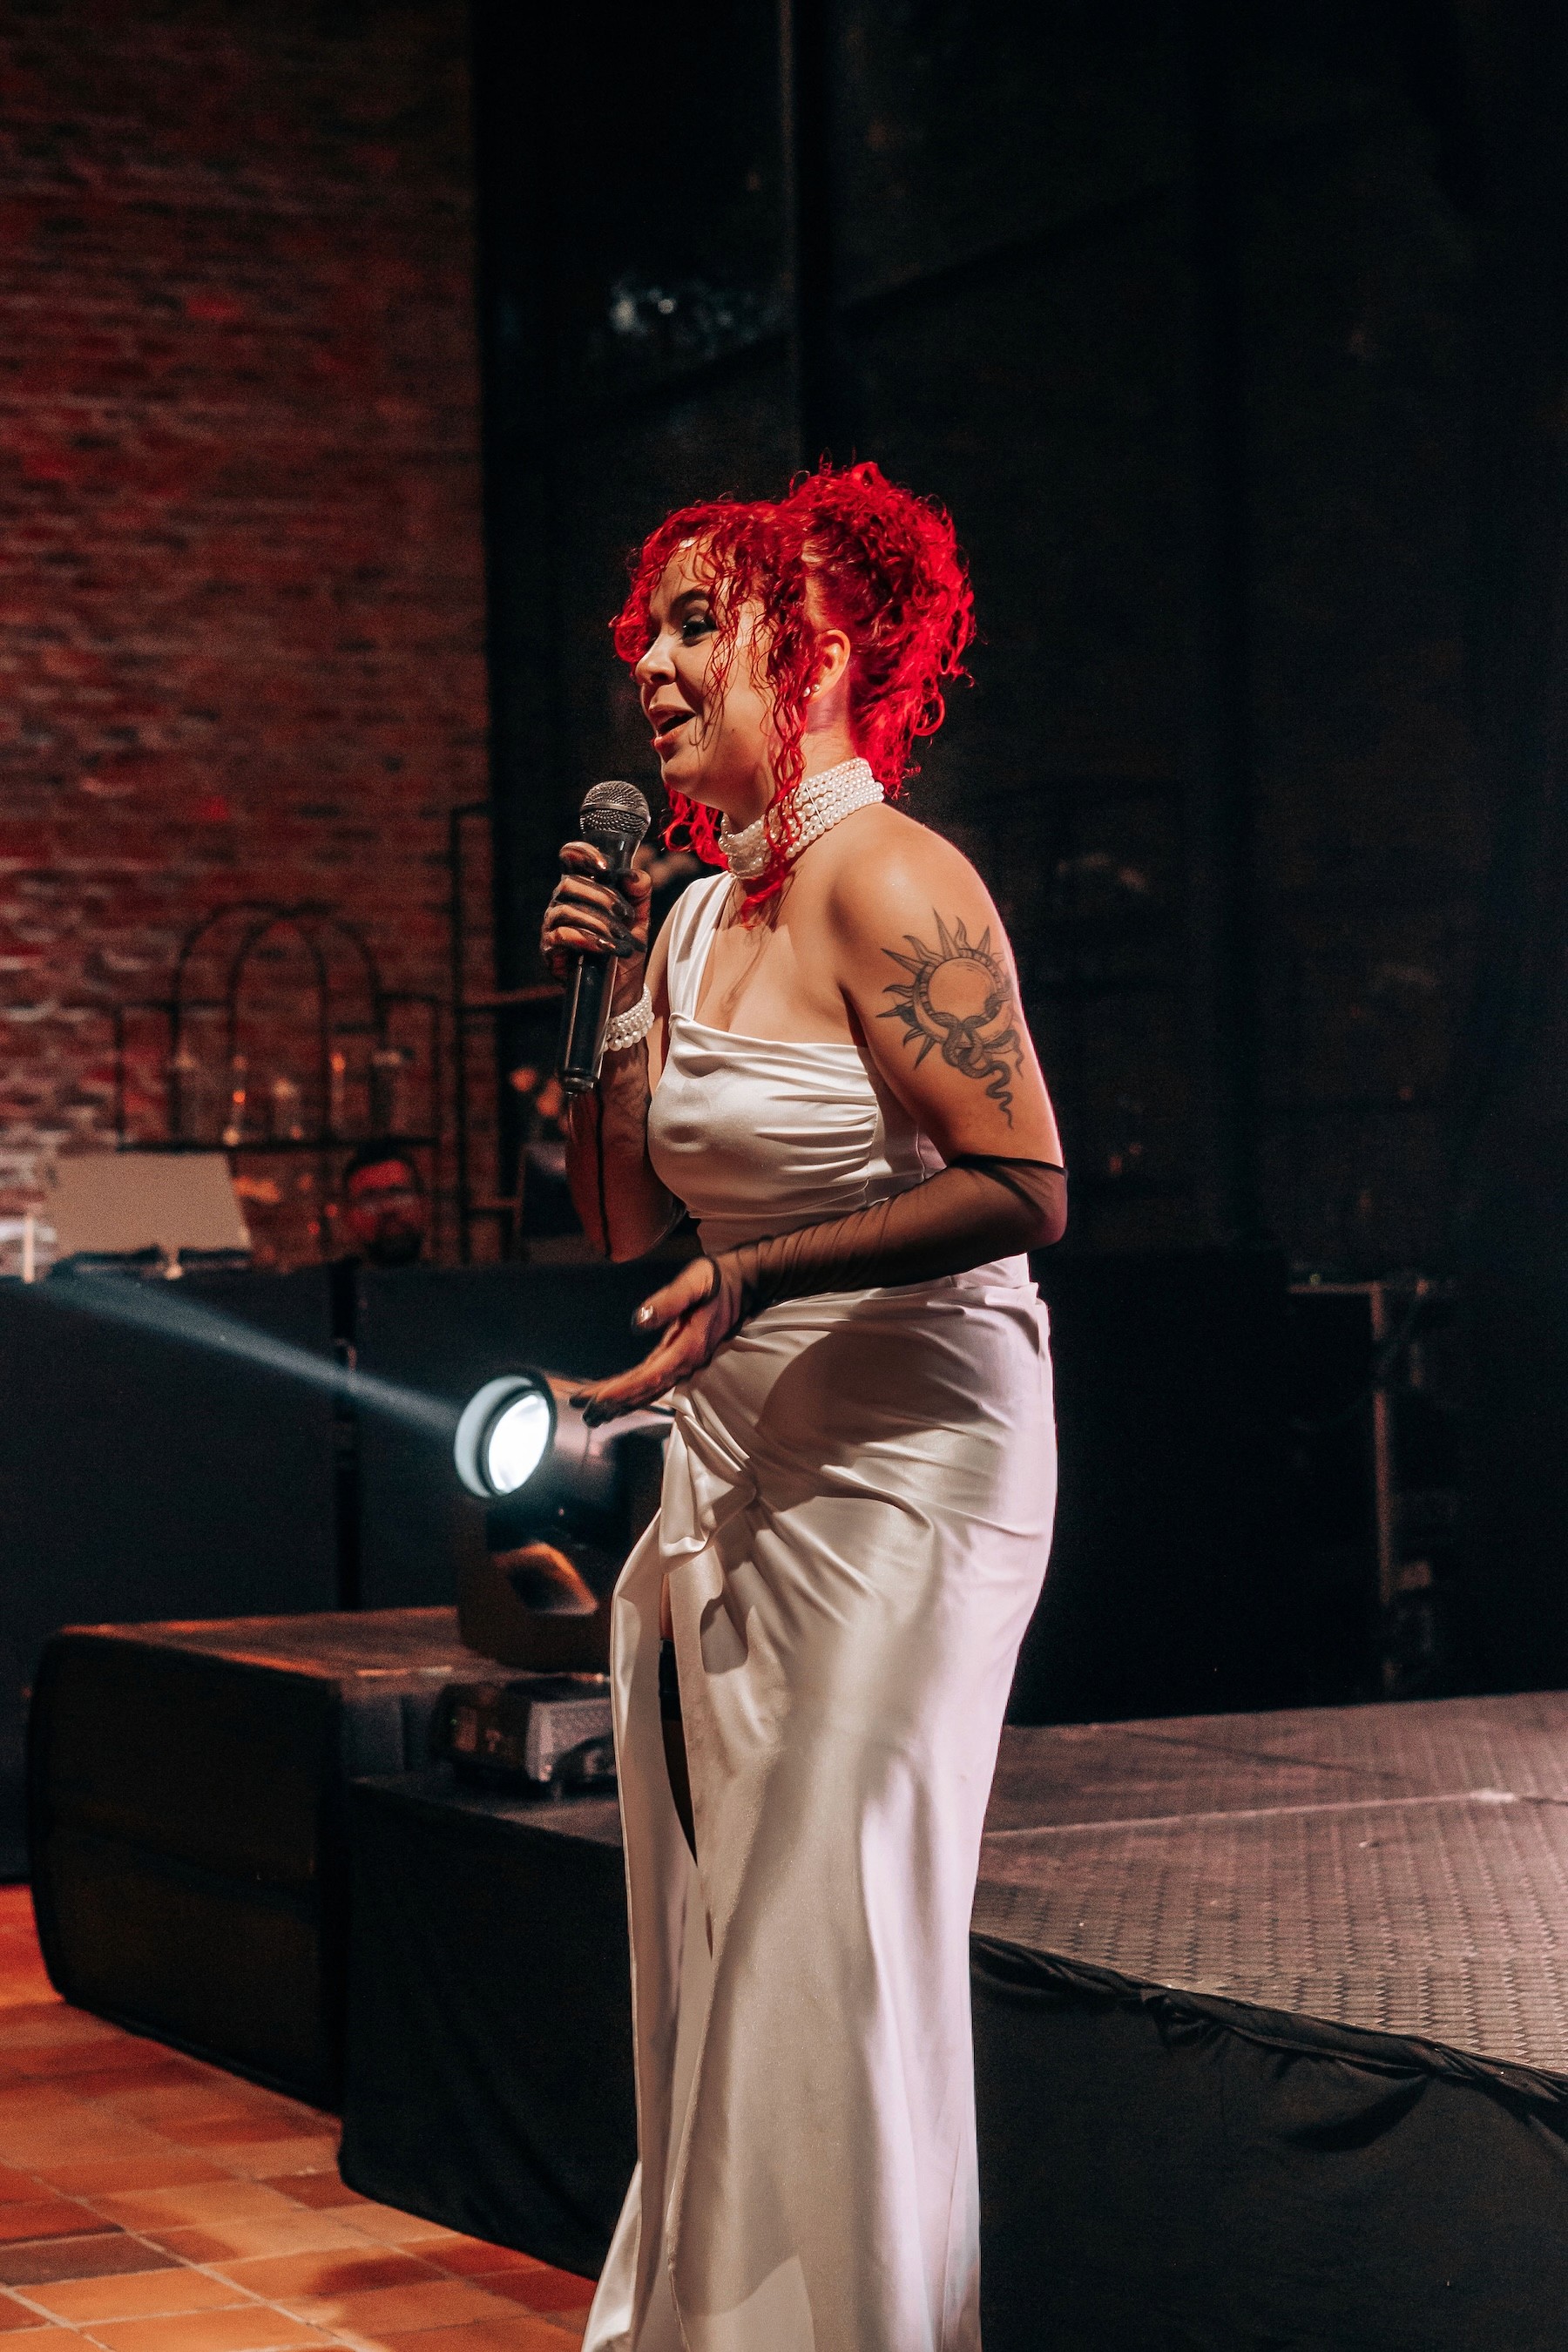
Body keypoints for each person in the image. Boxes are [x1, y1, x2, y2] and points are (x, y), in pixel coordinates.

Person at [541, 461, 1066, 2352]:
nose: (652, 668)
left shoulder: (894, 879)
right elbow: (622, 1221)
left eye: (702, 624)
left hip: (912, 1468)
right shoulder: (688, 920)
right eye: (651, 631)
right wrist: (601, 1007)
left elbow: (1026, 1184)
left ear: (823, 648)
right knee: (731, 1930)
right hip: (737, 1463)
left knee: (817, 1939)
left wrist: (765, 1274)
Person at [335, 1141, 428, 1269]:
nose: (387, 1207)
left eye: (399, 1194)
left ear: (423, 1204)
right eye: (370, 1200)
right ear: (349, 1217)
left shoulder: (452, 1280)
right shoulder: (319, 1281)